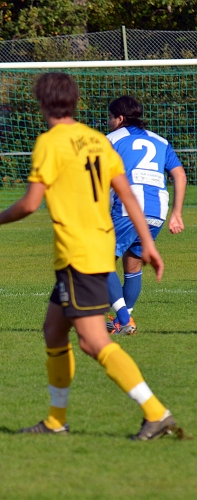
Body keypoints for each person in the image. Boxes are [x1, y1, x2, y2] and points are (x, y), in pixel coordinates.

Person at [0, 73, 178, 440]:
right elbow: (128, 195)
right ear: (73, 101)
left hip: (78, 252)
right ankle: (55, 421)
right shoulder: (97, 140)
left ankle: (156, 412)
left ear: (42, 103)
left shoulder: (50, 143)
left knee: (92, 341)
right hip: (96, 247)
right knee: (54, 331)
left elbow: (30, 203)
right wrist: (148, 243)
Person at [104, 95, 187, 335]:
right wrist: (177, 214)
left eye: (110, 118)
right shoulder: (160, 141)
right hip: (157, 210)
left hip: (128, 208)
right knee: (133, 264)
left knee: (101, 260)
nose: (108, 122)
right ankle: (122, 322)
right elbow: (179, 175)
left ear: (119, 118)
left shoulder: (110, 140)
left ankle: (124, 320)